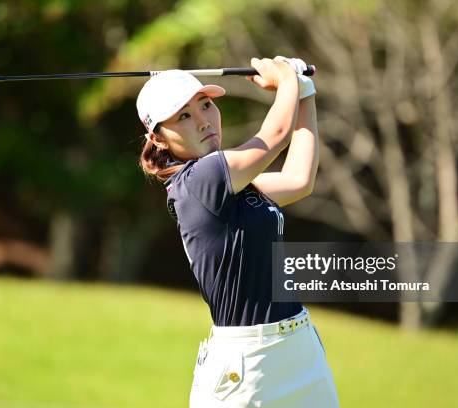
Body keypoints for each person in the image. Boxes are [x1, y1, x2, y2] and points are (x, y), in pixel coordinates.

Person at [136, 56, 339, 407]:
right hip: (247, 365)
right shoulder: (198, 181)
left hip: (299, 349)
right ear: (159, 138)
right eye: (184, 116)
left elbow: (299, 180)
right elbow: (273, 137)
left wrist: (305, 92)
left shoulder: (234, 185)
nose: (203, 121)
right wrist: (287, 81)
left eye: (206, 105)